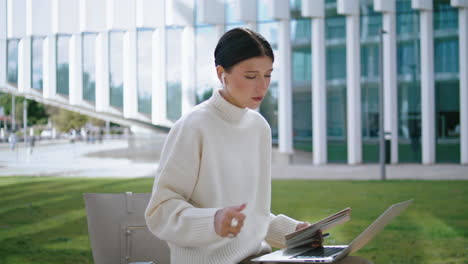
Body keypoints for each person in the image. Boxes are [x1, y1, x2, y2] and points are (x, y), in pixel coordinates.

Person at [145, 28, 372, 264]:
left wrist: (295, 232)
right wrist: (213, 221)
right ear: (222, 74)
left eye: (268, 75)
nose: (262, 87)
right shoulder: (193, 127)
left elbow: (254, 215)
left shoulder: (259, 127)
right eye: (251, 76)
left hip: (259, 256)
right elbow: (160, 212)